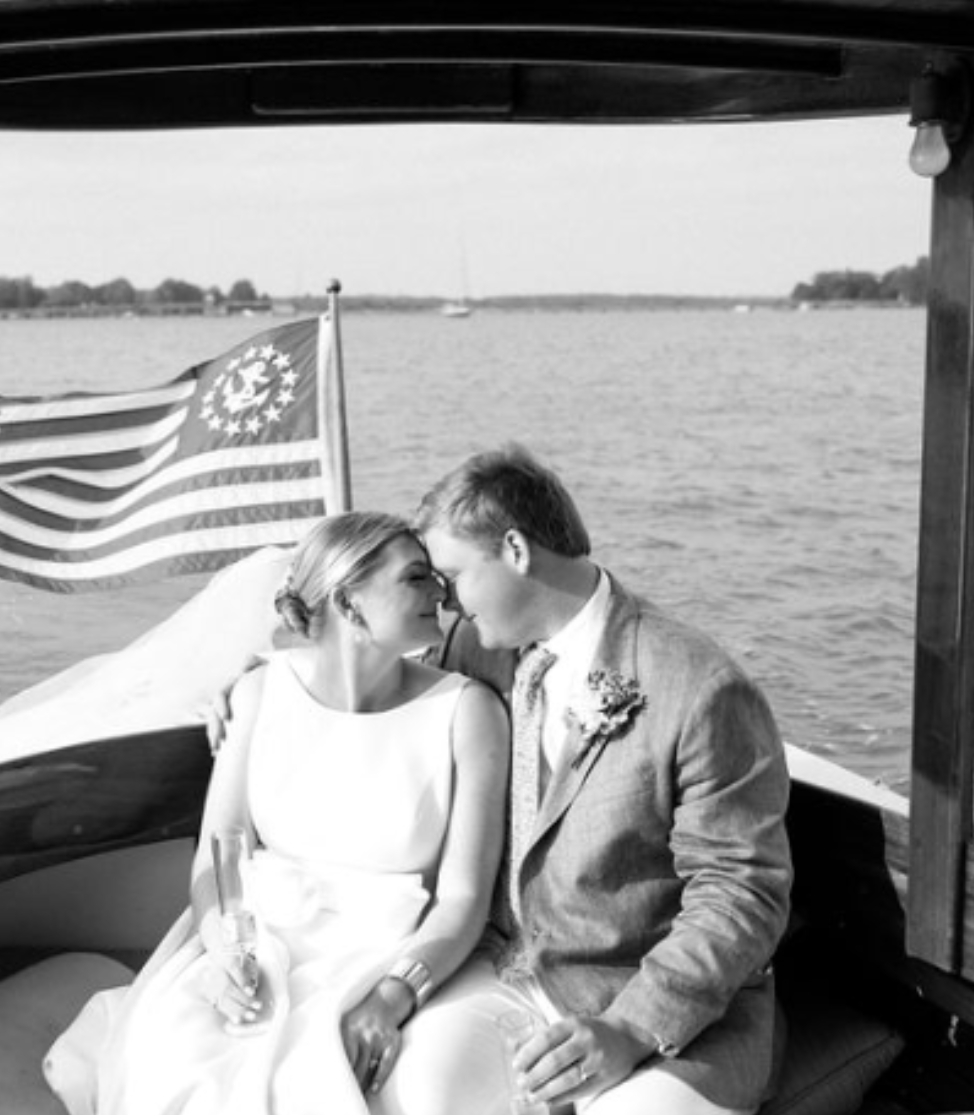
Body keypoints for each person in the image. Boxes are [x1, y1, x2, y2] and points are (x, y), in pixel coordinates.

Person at [44, 511, 511, 1115]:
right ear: (349, 601)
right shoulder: (260, 693)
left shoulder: (467, 712)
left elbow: (463, 901)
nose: (441, 592)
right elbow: (224, 845)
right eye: (416, 578)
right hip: (253, 939)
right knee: (181, 1064)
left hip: (387, 954)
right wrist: (224, 953)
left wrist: (394, 995)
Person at [411, 446, 794, 1115]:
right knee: (418, 1091)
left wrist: (629, 1028)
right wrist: (256, 689)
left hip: (665, 1008)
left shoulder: (699, 686)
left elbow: (741, 894)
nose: (444, 601)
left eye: (451, 576)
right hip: (511, 974)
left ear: (516, 551)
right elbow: (375, 681)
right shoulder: (472, 649)